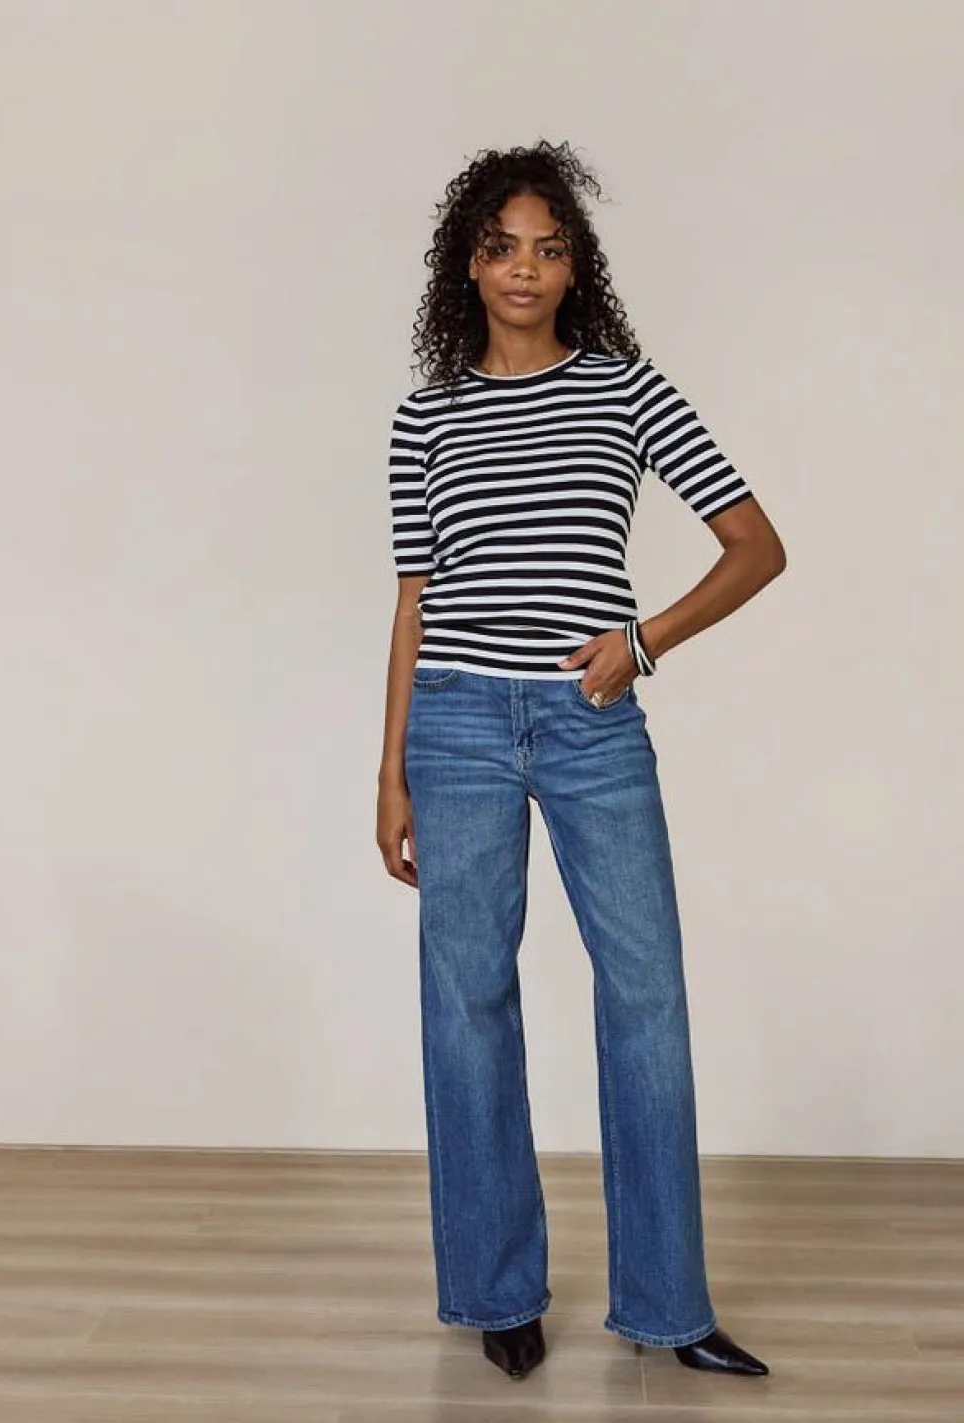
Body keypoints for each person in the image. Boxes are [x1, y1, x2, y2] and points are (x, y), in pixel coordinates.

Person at [376, 140, 785, 1384]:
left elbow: (755, 545)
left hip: (588, 719)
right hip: (453, 722)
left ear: (575, 268)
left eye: (548, 249)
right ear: (466, 262)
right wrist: (389, 771)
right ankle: (496, 1289)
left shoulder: (625, 390)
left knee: (645, 994)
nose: (524, 267)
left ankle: (669, 1302)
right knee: (466, 1000)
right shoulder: (424, 415)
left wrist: (641, 643)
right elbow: (414, 597)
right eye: (502, 246)